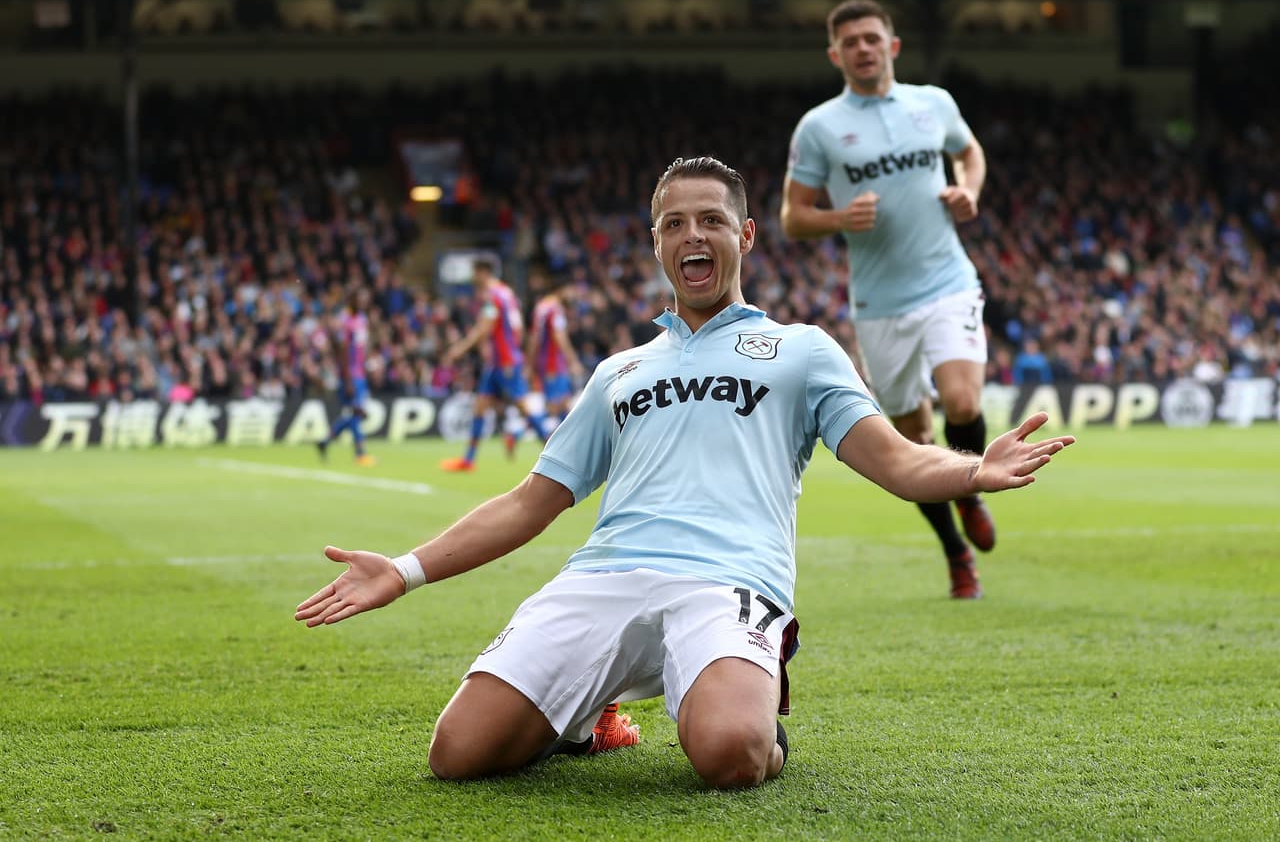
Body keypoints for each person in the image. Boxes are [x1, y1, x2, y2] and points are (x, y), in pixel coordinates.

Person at [295, 157, 1074, 789]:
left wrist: (974, 468)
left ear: (746, 234)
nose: (691, 235)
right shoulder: (620, 370)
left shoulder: (802, 349)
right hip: (602, 577)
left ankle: (756, 692)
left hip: (728, 581)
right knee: (457, 756)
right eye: (674, 223)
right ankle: (585, 716)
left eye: (709, 220)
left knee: (731, 757)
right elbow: (531, 502)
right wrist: (401, 571)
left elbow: (897, 460)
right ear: (657, 244)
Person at [781, 0, 996, 598]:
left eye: (872, 38)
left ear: (892, 45)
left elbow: (970, 152)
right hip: (880, 305)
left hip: (947, 280)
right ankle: (955, 550)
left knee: (960, 398)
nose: (863, 49)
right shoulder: (820, 126)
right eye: (850, 42)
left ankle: (972, 486)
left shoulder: (934, 104)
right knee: (912, 440)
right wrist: (839, 217)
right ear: (835, 55)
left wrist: (968, 189)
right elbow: (793, 218)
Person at [439, 259, 551, 471]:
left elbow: (484, 327)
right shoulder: (507, 294)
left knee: (523, 407)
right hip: (499, 360)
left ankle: (553, 449)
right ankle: (468, 460)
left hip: (505, 361)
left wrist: (459, 349)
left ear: (483, 272)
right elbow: (517, 328)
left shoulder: (494, 296)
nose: (473, 278)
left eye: (474, 273)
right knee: (480, 406)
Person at [316, 288, 376, 466]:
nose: (364, 302)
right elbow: (342, 352)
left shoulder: (363, 320)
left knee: (356, 413)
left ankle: (325, 441)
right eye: (360, 299)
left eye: (366, 299)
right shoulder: (346, 321)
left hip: (360, 372)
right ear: (352, 301)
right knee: (357, 412)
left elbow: (362, 348)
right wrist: (348, 378)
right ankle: (360, 454)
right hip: (350, 374)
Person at [524, 274, 585, 431]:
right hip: (554, 364)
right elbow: (559, 337)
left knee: (563, 403)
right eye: (570, 289)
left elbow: (534, 338)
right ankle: (518, 432)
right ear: (562, 289)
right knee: (555, 406)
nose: (572, 294)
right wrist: (573, 360)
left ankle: (568, 442)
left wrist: (530, 363)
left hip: (545, 362)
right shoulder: (554, 309)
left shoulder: (542, 306)